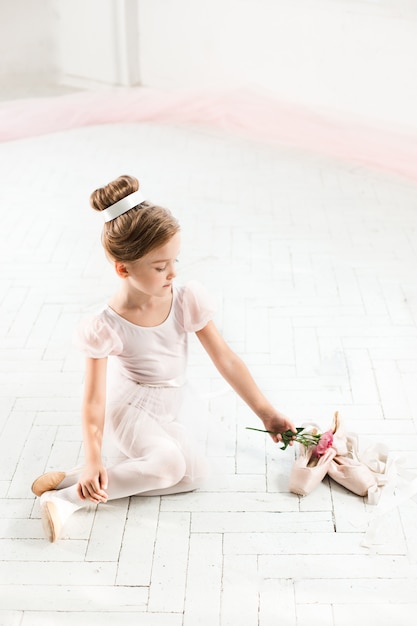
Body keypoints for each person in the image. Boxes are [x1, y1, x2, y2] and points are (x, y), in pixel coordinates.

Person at [31, 174, 296, 542]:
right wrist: (94, 454)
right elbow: (93, 399)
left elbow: (226, 360)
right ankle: (66, 500)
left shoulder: (186, 298)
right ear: (123, 269)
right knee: (169, 465)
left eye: (175, 261)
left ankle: (76, 476)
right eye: (159, 267)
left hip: (169, 405)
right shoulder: (105, 325)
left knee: (193, 475)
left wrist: (266, 413)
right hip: (130, 409)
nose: (173, 273)